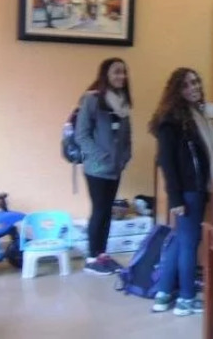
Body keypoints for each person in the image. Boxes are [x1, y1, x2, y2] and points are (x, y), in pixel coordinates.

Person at [148, 68, 213, 316]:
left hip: (195, 188)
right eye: (187, 84)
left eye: (196, 82)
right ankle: (187, 298)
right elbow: (167, 163)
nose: (195, 87)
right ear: (176, 90)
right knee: (189, 243)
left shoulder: (194, 116)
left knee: (181, 240)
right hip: (188, 191)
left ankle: (163, 293)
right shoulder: (171, 121)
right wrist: (175, 198)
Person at [74, 58, 132, 276]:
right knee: (99, 210)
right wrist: (102, 156)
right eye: (116, 72)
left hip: (115, 168)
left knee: (107, 211)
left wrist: (125, 156)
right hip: (97, 168)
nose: (121, 76)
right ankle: (91, 258)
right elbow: (82, 135)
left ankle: (102, 254)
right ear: (105, 75)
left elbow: (127, 135)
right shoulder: (92, 100)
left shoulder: (123, 103)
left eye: (123, 72)